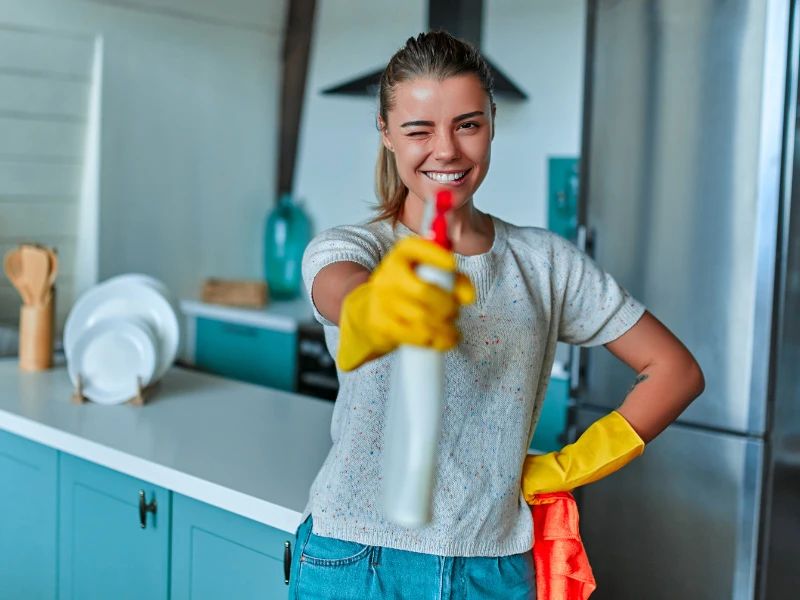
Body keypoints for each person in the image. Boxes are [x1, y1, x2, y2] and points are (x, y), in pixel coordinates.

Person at [288, 30, 705, 600]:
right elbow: (339, 288)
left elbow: (675, 371)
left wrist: (568, 466)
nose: (447, 151)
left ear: (490, 123)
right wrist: (377, 307)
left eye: (468, 124)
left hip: (494, 569)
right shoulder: (354, 249)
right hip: (357, 558)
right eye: (419, 130)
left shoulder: (545, 264)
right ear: (386, 133)